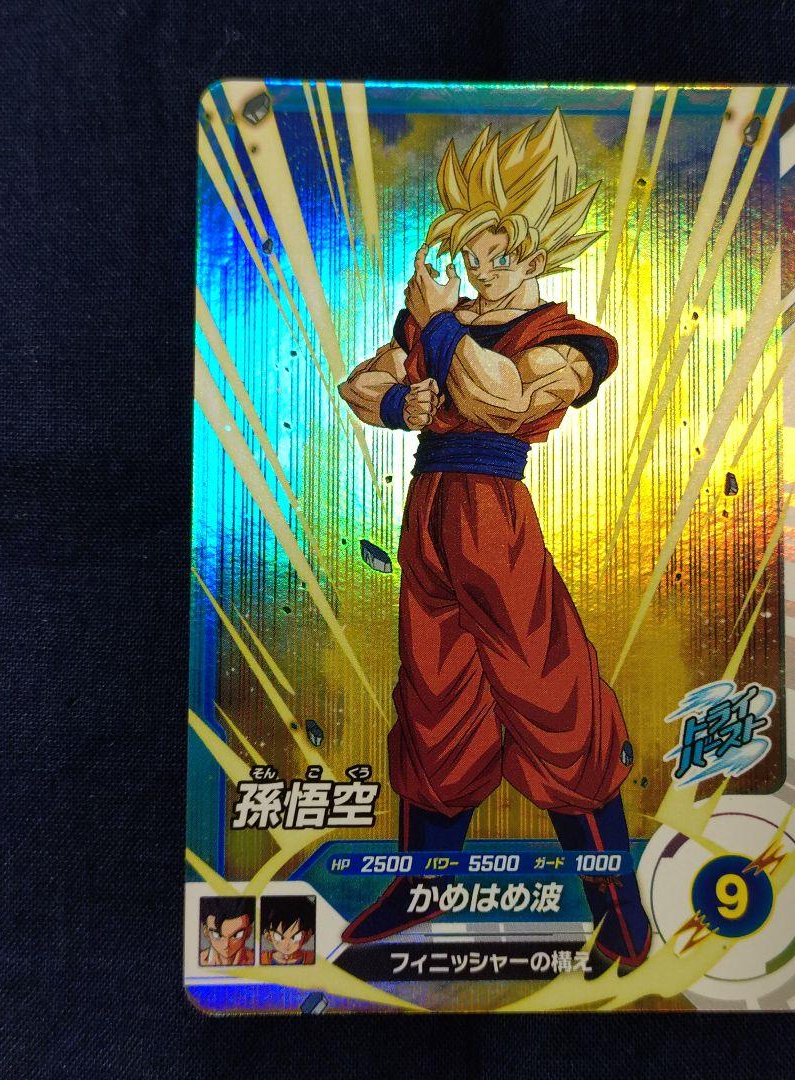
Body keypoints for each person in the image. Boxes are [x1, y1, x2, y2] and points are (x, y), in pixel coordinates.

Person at [338, 110, 651, 973]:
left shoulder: (568, 341)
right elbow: (359, 383)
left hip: (495, 523)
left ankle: (621, 917)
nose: (481, 271)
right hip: (430, 522)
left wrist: (441, 334)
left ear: (537, 248)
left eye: (498, 254)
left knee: (553, 699)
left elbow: (505, 400)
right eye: (472, 255)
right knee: (434, 698)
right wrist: (401, 401)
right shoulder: (441, 321)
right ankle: (424, 888)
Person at [198, 895, 255, 966]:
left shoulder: (261, 959)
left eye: (236, 935)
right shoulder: (196, 960)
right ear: (206, 932)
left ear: (248, 932)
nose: (226, 944)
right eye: (217, 935)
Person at [260, 896, 317, 965]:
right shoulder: (262, 958)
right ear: (268, 935)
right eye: (278, 937)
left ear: (307, 936)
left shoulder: (312, 958)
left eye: (296, 937)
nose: (287, 944)